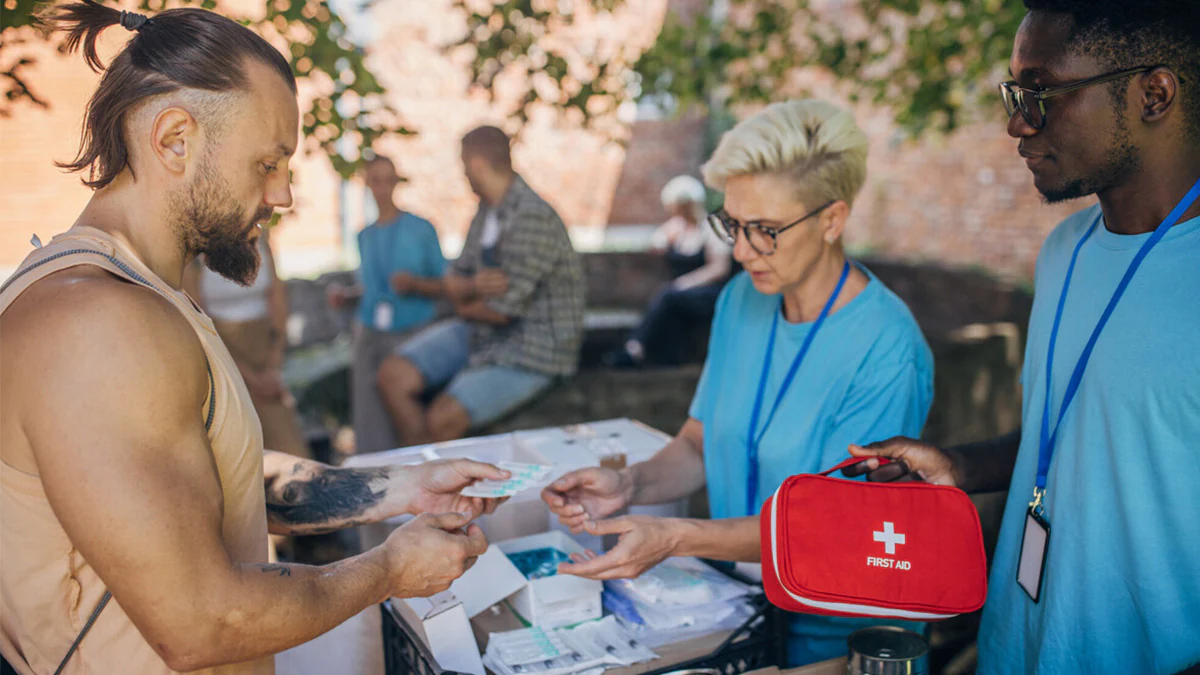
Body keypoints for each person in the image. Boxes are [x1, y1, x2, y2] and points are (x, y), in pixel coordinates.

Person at [0, 4, 508, 673]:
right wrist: (389, 567)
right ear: (174, 139)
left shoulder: (139, 295)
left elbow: (206, 481)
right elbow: (204, 621)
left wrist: (408, 485)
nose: (284, 194)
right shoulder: (98, 324)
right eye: (268, 162)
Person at [844, 2, 1200, 673]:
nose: (1017, 123)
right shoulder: (1064, 249)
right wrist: (960, 466)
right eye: (1016, 95)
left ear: (1154, 94)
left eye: (1042, 94)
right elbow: (1076, 432)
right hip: (1017, 647)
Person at [542, 100, 935, 666]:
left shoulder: (887, 348)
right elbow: (701, 443)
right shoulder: (739, 300)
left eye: (766, 230)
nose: (742, 250)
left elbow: (828, 530)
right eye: (732, 224)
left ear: (832, 219)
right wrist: (630, 484)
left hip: (843, 636)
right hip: (743, 613)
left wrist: (676, 536)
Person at [376, 126, 586, 444]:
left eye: (462, 165)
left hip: (532, 351)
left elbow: (502, 311)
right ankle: (419, 473)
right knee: (391, 375)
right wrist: (471, 286)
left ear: (475, 164)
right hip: (479, 331)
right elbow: (455, 277)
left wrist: (461, 297)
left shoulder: (532, 217)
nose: (462, 174)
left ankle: (423, 478)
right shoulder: (487, 210)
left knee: (441, 419)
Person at [328, 155, 447, 453]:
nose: (381, 187)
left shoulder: (421, 228)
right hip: (370, 330)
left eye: (387, 179)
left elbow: (447, 285)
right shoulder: (364, 236)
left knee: (409, 408)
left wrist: (416, 284)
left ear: (396, 182)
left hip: (413, 329)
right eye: (375, 180)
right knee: (369, 412)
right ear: (367, 184)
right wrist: (349, 295)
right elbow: (372, 287)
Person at [184, 228, 310, 459]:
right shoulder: (195, 250)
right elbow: (196, 315)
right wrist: (250, 376)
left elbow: (278, 301)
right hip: (220, 347)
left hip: (263, 347)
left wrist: (273, 364)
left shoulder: (261, 238)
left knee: (289, 448)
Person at [606, 175, 732, 368]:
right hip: (680, 295)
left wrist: (685, 283)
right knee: (670, 304)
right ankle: (662, 360)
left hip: (708, 293)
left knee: (668, 296)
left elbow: (719, 269)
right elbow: (654, 244)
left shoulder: (709, 230)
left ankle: (635, 348)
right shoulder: (677, 228)